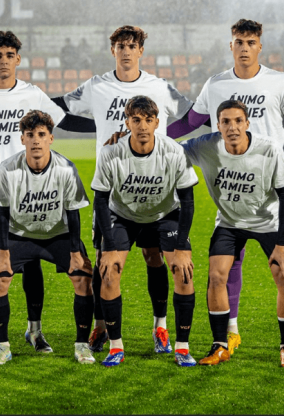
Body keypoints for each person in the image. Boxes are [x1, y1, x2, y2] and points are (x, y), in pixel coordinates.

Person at [167, 19, 284, 356]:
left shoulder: (280, 81)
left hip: (271, 184)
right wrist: (154, 137)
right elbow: (190, 123)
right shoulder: (216, 84)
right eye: (238, 41)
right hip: (232, 182)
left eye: (250, 42)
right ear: (230, 46)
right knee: (227, 263)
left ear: (260, 46)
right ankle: (229, 333)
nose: (244, 47)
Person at [0, 30, 95, 353]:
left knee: (31, 264)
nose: (3, 60)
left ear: (18, 59)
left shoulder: (32, 94)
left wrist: (106, 128)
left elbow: (62, 121)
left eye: (9, 55)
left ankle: (34, 330)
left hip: (30, 190)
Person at [54, 25, 192, 354]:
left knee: (154, 256)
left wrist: (165, 140)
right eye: (120, 46)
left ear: (141, 50)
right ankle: (102, 327)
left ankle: (160, 326)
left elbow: (191, 116)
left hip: (155, 186)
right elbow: (61, 113)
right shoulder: (97, 86)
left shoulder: (159, 87)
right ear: (112, 49)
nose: (126, 51)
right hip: (114, 188)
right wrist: (101, 129)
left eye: (132, 46)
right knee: (105, 260)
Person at [180, 100, 284, 368]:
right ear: (218, 125)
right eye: (225, 121)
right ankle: (220, 345)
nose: (232, 127)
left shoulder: (268, 148)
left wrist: (282, 243)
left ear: (247, 123)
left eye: (237, 121)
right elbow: (167, 152)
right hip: (230, 222)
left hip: (268, 223)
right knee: (216, 275)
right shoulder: (204, 146)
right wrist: (127, 139)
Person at [92, 96, 198, 367]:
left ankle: (174, 340)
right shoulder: (110, 153)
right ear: (127, 122)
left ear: (156, 123)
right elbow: (102, 200)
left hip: (164, 214)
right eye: (136, 120)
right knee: (109, 271)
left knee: (182, 272)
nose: (142, 126)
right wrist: (108, 247)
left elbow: (187, 200)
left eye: (148, 120)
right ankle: (116, 347)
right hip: (123, 215)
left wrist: (183, 245)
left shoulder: (173, 151)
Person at [0, 110, 93, 365]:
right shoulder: (8, 169)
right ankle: (2, 347)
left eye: (41, 135)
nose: (36, 140)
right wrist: (3, 253)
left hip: (57, 234)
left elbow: (73, 212)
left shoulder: (66, 168)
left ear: (51, 139)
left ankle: (82, 345)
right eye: (30, 135)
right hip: (19, 234)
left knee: (83, 278)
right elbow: (1, 213)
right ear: (22, 139)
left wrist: (76, 252)